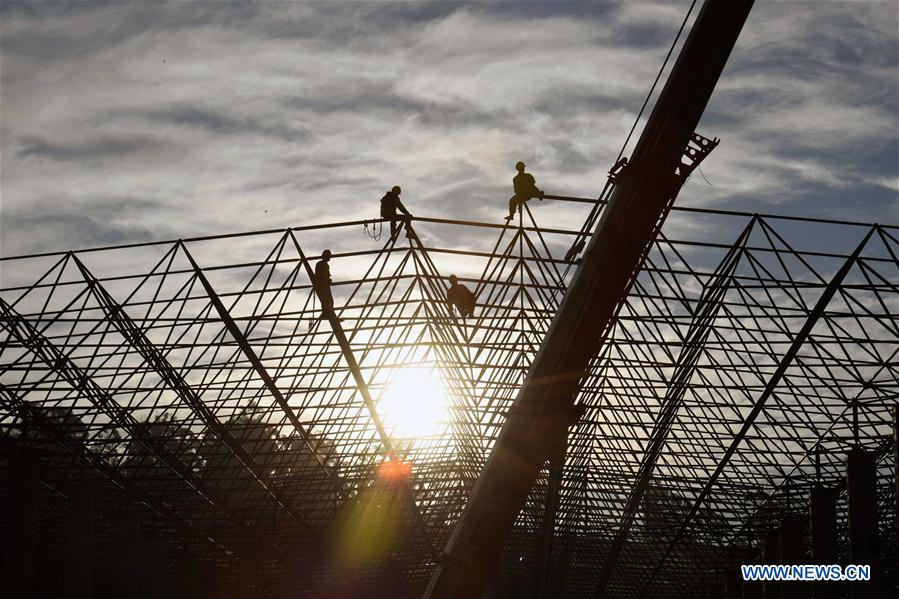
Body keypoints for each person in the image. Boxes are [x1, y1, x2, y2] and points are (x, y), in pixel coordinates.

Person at [313, 249, 334, 320]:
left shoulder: (321, 264)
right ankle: (328, 314)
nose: (329, 258)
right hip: (323, 285)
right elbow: (322, 275)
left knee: (326, 301)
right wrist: (327, 280)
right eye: (329, 256)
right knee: (329, 300)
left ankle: (326, 314)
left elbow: (322, 275)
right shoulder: (323, 264)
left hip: (322, 284)